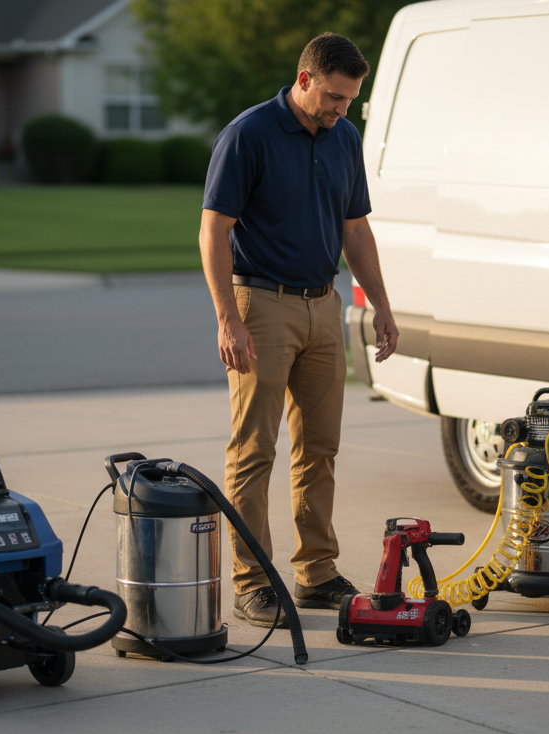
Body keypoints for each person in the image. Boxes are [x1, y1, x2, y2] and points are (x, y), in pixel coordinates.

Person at [200, 32, 399, 627]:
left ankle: (316, 572)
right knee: (254, 450)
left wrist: (381, 304)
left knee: (320, 448)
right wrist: (227, 319)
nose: (342, 110)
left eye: (350, 101)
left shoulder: (344, 137)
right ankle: (252, 582)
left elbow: (356, 230)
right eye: (335, 97)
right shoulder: (249, 134)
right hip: (260, 304)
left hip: (323, 304)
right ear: (305, 79)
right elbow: (213, 230)